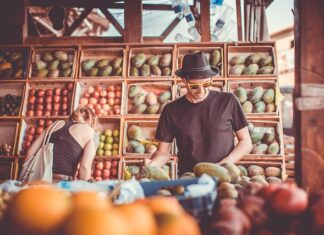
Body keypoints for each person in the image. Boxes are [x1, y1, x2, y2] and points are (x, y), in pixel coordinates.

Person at [149, 51, 253, 175]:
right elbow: (163, 153)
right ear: (184, 81)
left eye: (206, 83)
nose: (201, 90)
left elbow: (246, 142)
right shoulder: (171, 110)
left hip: (225, 176)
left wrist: (225, 164)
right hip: (189, 177)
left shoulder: (228, 101)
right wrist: (152, 165)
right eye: (194, 86)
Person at [24, 106, 100, 181]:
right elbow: (84, 166)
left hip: (38, 178)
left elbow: (30, 152)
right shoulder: (91, 133)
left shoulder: (55, 124)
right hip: (61, 183)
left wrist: (25, 175)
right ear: (91, 121)